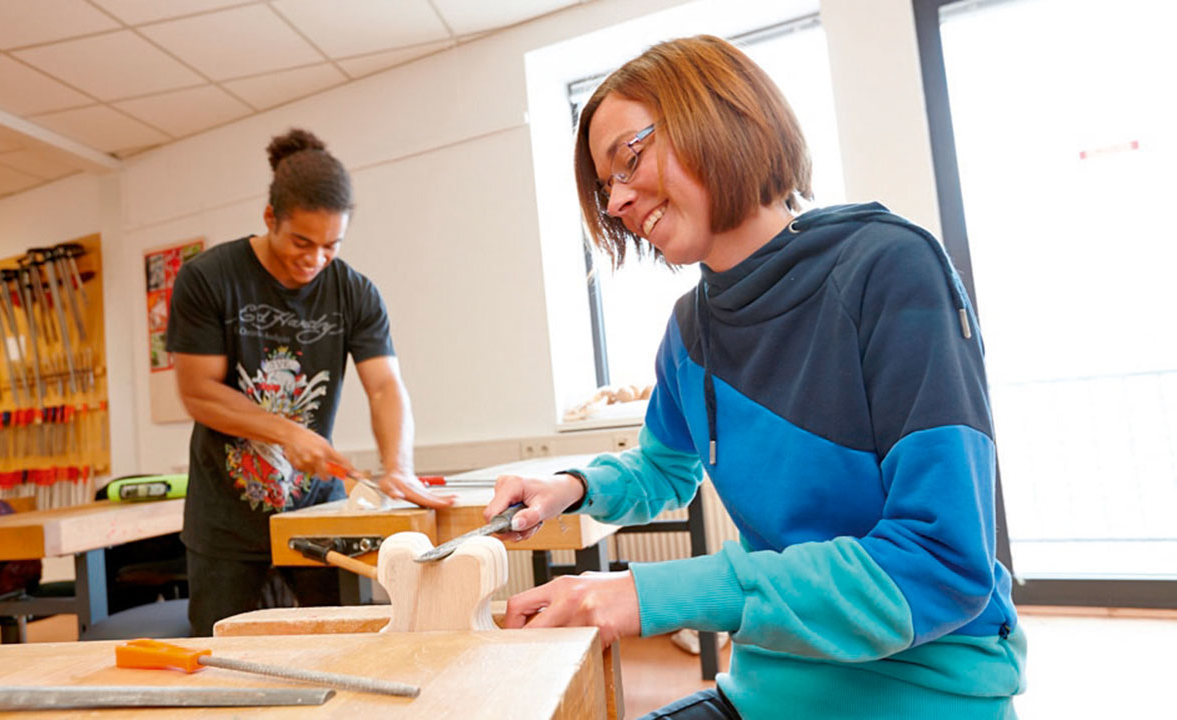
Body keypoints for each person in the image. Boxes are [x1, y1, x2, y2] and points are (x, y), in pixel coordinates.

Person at [484, 35, 1026, 719]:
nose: (617, 200)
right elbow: (664, 470)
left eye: (628, 158)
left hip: (923, 693)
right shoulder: (688, 334)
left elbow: (941, 565)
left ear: (716, 112)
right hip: (766, 694)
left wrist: (649, 595)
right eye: (606, 186)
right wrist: (571, 487)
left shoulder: (890, 270)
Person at [167, 128, 451, 636]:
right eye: (301, 242)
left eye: (330, 246)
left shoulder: (355, 293)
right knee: (223, 664)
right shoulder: (208, 279)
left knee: (345, 647)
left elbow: (385, 387)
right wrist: (287, 432)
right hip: (225, 524)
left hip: (318, 516)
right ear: (270, 218)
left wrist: (398, 466)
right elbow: (197, 391)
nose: (315, 259)